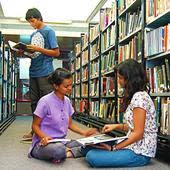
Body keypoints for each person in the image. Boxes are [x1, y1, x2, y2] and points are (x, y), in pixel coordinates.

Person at [81, 59, 158, 168]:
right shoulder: (136, 96)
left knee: (92, 156)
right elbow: (134, 127)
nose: (118, 81)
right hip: (132, 144)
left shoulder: (140, 98)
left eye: (120, 78)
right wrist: (116, 126)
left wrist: (114, 148)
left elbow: (138, 133)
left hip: (140, 152)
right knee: (88, 147)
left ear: (130, 79)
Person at [28, 68, 97, 163]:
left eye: (71, 85)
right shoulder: (45, 101)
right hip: (44, 144)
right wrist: (43, 137)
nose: (70, 88)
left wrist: (84, 133)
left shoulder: (67, 101)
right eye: (66, 86)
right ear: (56, 86)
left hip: (62, 142)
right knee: (58, 149)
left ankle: (66, 153)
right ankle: (64, 153)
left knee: (90, 144)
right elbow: (34, 126)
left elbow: (70, 124)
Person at [23, 8, 60, 139]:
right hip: (33, 71)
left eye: (33, 21)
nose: (31, 24)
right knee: (34, 103)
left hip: (45, 72)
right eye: (29, 22)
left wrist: (38, 48)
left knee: (47, 102)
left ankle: (48, 131)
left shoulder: (49, 31)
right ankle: (35, 131)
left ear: (39, 18)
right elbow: (35, 54)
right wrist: (24, 52)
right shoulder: (34, 34)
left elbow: (56, 53)